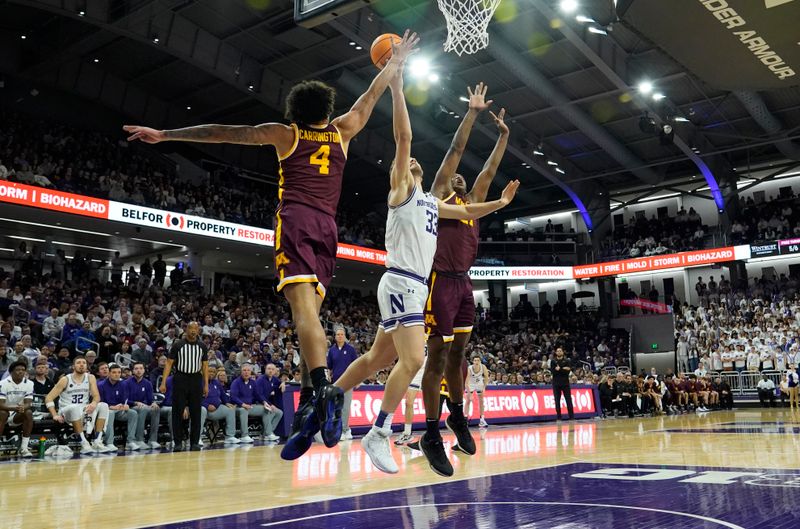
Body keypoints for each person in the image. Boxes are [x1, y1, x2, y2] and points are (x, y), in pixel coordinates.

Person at [126, 31, 420, 452]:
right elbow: (371, 96)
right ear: (327, 110)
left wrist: (167, 134)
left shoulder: (286, 135)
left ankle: (321, 392)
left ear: (294, 111)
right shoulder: (343, 132)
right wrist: (396, 65)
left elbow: (224, 133)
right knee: (312, 323)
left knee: (303, 315)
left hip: (297, 221)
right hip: (328, 230)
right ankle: (308, 411)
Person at [283, 62, 519, 475]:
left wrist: (499, 204)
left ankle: (328, 400)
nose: (412, 165)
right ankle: (379, 431)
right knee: (414, 361)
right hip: (402, 283)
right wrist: (397, 85)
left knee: (377, 358)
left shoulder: (431, 203)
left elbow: (471, 209)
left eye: (414, 165)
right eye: (407, 164)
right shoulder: (401, 190)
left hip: (412, 286)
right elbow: (404, 137)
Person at [420, 81, 509, 467]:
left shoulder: (472, 203)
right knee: (437, 357)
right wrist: (472, 114)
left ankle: (456, 414)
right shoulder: (439, 196)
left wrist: (503, 137)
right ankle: (429, 430)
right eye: (455, 176)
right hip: (439, 280)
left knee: (458, 356)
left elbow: (489, 169)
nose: (459, 177)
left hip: (464, 285)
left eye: (462, 178)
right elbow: (456, 151)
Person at [45, 356, 114, 454]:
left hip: (83, 411)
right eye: (78, 363)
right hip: (66, 412)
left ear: (87, 366)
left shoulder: (90, 377)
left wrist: (94, 403)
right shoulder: (65, 379)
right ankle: (83, 443)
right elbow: (49, 398)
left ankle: (97, 441)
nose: (81, 365)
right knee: (74, 407)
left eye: (84, 363)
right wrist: (55, 415)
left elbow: (96, 396)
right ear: (73, 366)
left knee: (103, 405)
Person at [160, 321, 208, 452]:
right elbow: (169, 364)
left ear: (198, 331)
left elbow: (205, 366)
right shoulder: (178, 345)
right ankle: (178, 442)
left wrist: (206, 385)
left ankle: (194, 442)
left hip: (196, 379)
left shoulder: (202, 346)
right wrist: (163, 382)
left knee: (196, 412)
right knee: (177, 411)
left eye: (195, 328)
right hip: (180, 378)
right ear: (186, 329)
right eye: (191, 328)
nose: (193, 331)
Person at [231, 364, 282, 443]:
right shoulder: (236, 382)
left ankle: (268, 434)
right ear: (241, 372)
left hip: (250, 406)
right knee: (243, 410)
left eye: (248, 370)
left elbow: (257, 395)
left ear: (251, 372)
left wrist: (264, 402)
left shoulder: (253, 382)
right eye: (244, 370)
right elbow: (233, 397)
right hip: (239, 407)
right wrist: (243, 404)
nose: (246, 372)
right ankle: (244, 435)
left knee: (266, 409)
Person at [326, 326, 358, 441]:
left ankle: (345, 430)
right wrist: (328, 379)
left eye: (342, 334)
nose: (340, 336)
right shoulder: (332, 350)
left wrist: (357, 380)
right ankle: (339, 429)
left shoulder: (350, 349)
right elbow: (329, 367)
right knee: (336, 407)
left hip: (348, 383)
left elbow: (356, 366)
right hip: (336, 383)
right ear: (335, 337)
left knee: (346, 407)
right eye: (338, 334)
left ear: (345, 337)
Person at [98, 363, 138, 451]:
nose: (117, 374)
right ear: (109, 373)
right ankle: (109, 443)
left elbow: (124, 399)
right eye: (114, 372)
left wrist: (125, 405)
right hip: (106, 410)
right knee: (111, 413)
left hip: (119, 410)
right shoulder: (101, 385)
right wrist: (111, 407)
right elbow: (99, 402)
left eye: (119, 372)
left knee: (133, 413)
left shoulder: (123, 384)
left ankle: (130, 442)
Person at [0, 361, 35, 457]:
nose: (21, 372)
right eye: (18, 370)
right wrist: (15, 408)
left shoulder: (29, 383)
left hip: (17, 414)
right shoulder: (3, 383)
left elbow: (28, 403)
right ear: (11, 372)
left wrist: (23, 407)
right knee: (2, 413)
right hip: (4, 412)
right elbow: (0, 404)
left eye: (23, 370)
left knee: (28, 412)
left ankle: (23, 448)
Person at [124, 362, 161, 449]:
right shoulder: (126, 383)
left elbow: (150, 399)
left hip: (144, 407)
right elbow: (125, 400)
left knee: (156, 409)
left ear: (144, 370)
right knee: (143, 408)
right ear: (133, 371)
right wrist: (135, 402)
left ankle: (153, 440)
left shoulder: (147, 383)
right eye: (136, 369)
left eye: (141, 368)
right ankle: (139, 439)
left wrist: (153, 403)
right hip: (131, 406)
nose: (139, 370)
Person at [201, 365, 240, 444]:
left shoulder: (216, 382)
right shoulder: (199, 382)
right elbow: (194, 398)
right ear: (204, 372)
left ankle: (230, 436)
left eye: (213, 372)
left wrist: (227, 403)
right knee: (201, 410)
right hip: (204, 409)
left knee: (230, 410)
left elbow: (222, 395)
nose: (211, 373)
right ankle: (197, 438)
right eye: (209, 371)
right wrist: (206, 405)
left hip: (217, 408)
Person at [466, 355, 489, 427]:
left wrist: (484, 387)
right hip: (471, 384)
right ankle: (465, 419)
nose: (476, 362)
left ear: (480, 361)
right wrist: (470, 394)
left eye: (478, 360)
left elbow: (486, 378)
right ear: (473, 362)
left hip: (479, 383)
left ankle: (482, 420)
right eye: (475, 360)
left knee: (481, 401)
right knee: (468, 401)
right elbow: (466, 382)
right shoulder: (469, 369)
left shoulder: (483, 367)